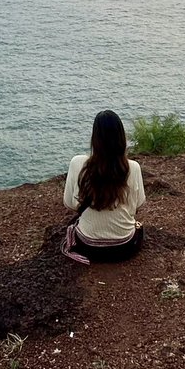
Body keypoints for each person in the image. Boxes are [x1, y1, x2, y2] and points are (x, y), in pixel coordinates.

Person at [62, 109, 145, 264]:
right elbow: (138, 205)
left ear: (95, 138)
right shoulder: (133, 167)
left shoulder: (77, 163)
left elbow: (69, 203)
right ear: (122, 137)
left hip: (87, 246)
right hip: (125, 247)